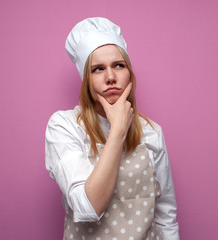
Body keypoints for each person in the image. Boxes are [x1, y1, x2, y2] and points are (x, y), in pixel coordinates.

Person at [45, 17, 179, 240]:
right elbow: (87, 208)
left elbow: (165, 214)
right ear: (86, 78)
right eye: (98, 69)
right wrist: (118, 130)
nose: (110, 77)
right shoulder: (64, 126)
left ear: (129, 73)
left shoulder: (151, 131)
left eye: (119, 65)